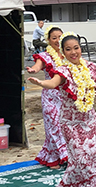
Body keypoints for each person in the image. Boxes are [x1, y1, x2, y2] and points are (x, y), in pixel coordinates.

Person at [28, 32, 96, 187]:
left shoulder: (90, 67)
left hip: (89, 119)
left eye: (76, 48)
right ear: (62, 52)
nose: (73, 52)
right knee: (80, 156)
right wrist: (40, 83)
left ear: (80, 49)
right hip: (71, 123)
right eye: (68, 49)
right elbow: (53, 83)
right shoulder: (62, 71)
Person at [26, 26, 68, 169]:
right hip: (50, 96)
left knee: (65, 126)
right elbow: (37, 66)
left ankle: (62, 157)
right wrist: (33, 70)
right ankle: (55, 158)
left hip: (65, 96)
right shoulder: (45, 56)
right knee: (53, 126)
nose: (57, 40)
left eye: (60, 37)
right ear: (48, 40)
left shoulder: (68, 54)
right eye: (54, 38)